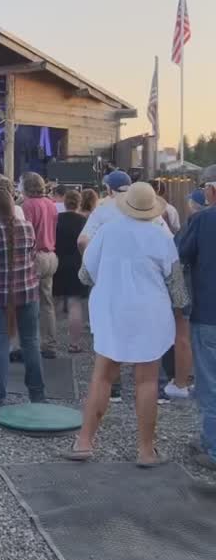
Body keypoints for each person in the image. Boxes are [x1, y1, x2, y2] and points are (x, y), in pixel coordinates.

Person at [66, 182, 188, 466]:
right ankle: (146, 451)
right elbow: (178, 290)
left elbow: (85, 275)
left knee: (103, 376)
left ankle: (84, 442)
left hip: (111, 311)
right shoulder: (162, 237)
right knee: (146, 380)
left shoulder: (108, 231)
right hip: (150, 313)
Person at [0, 178, 45, 408]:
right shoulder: (27, 227)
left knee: (0, 344)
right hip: (28, 293)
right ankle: (37, 394)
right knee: (31, 343)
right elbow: (32, 256)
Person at [177, 164, 216, 469]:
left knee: (210, 383)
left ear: (210, 191)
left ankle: (213, 447)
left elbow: (179, 255)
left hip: (209, 313)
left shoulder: (203, 220)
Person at [20, 172, 59, 358]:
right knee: (47, 302)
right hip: (51, 255)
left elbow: (26, 233)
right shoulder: (51, 204)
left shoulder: (27, 205)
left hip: (34, 257)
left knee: (26, 302)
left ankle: (27, 343)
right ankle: (49, 344)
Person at [54, 189, 87, 353]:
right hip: (77, 264)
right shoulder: (84, 221)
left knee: (53, 303)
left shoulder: (56, 219)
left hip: (58, 263)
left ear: (65, 203)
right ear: (78, 203)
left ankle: (49, 341)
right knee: (75, 304)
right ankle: (74, 343)